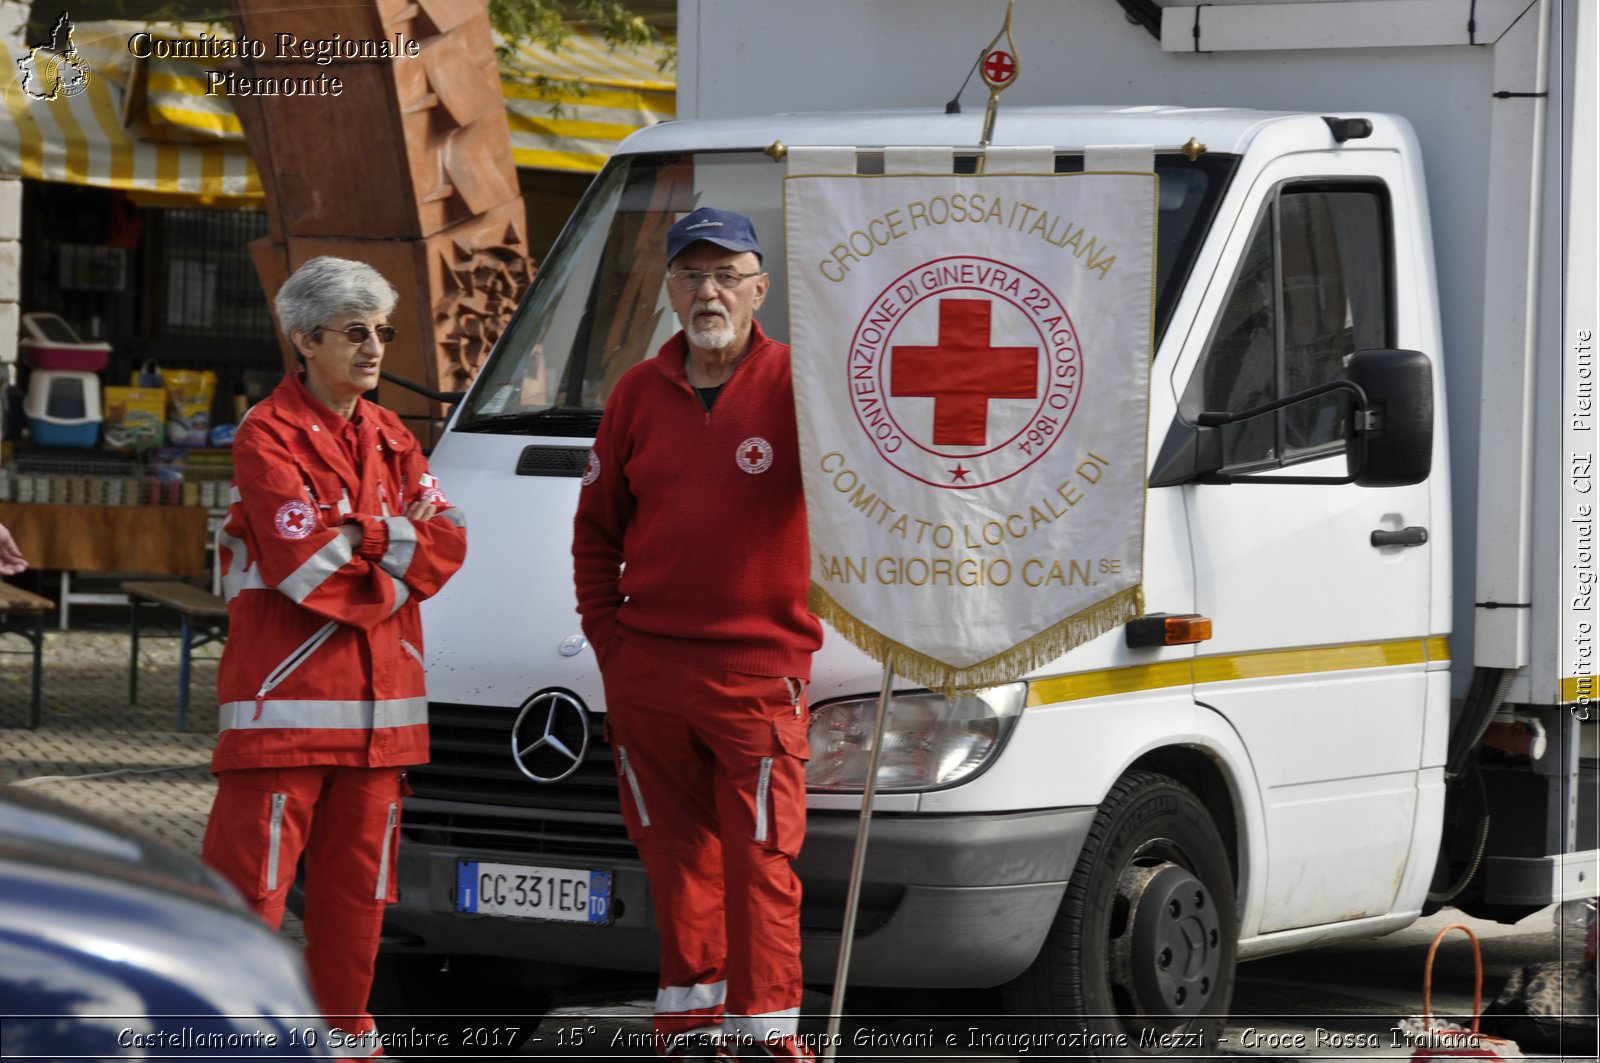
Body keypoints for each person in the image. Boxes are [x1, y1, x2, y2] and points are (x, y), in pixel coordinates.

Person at [572, 207, 824, 1062]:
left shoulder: (804, 384)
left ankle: (766, 1039)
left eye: (726, 274)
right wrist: (612, 644)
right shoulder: (638, 392)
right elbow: (596, 532)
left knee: (762, 865)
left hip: (758, 674)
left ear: (760, 287)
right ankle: (687, 1032)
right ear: (670, 289)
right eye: (690, 274)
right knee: (677, 864)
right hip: (648, 675)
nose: (707, 290)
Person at [200, 256, 467, 1053]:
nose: (376, 347)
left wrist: (368, 534)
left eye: (382, 331)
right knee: (246, 900)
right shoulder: (266, 434)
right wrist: (400, 572)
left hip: (382, 729)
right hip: (281, 718)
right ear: (306, 339)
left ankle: (344, 1044)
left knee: (360, 906)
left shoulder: (391, 434)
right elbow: (309, 572)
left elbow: (450, 543)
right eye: (357, 332)